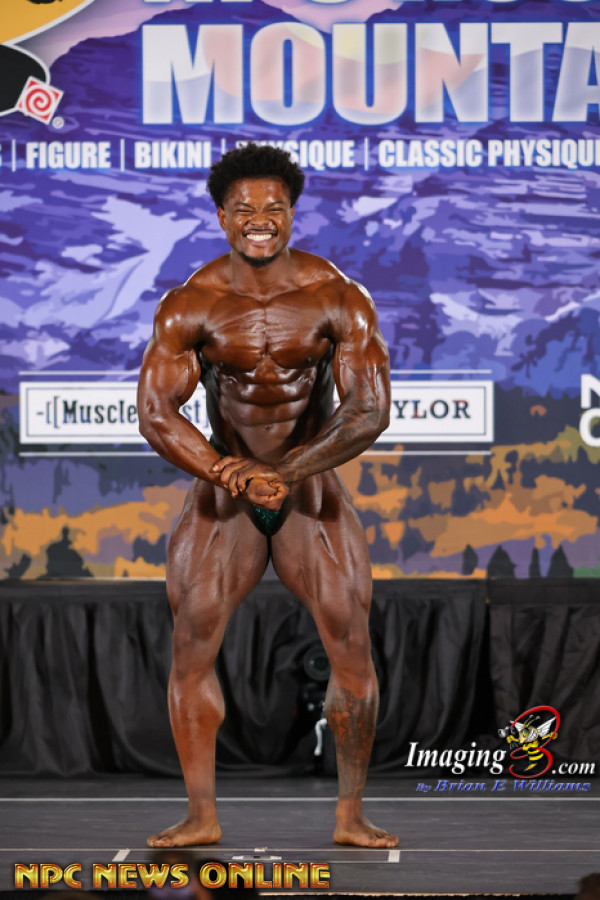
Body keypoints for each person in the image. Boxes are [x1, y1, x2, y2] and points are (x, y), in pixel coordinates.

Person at [138, 143, 396, 849]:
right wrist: (233, 474)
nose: (259, 219)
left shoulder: (336, 297)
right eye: (244, 208)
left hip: (309, 489)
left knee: (350, 644)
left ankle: (350, 815)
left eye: (273, 207)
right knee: (191, 646)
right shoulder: (189, 305)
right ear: (222, 217)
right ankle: (201, 814)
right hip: (225, 492)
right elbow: (156, 415)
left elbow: (369, 409)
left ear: (292, 213)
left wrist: (290, 469)